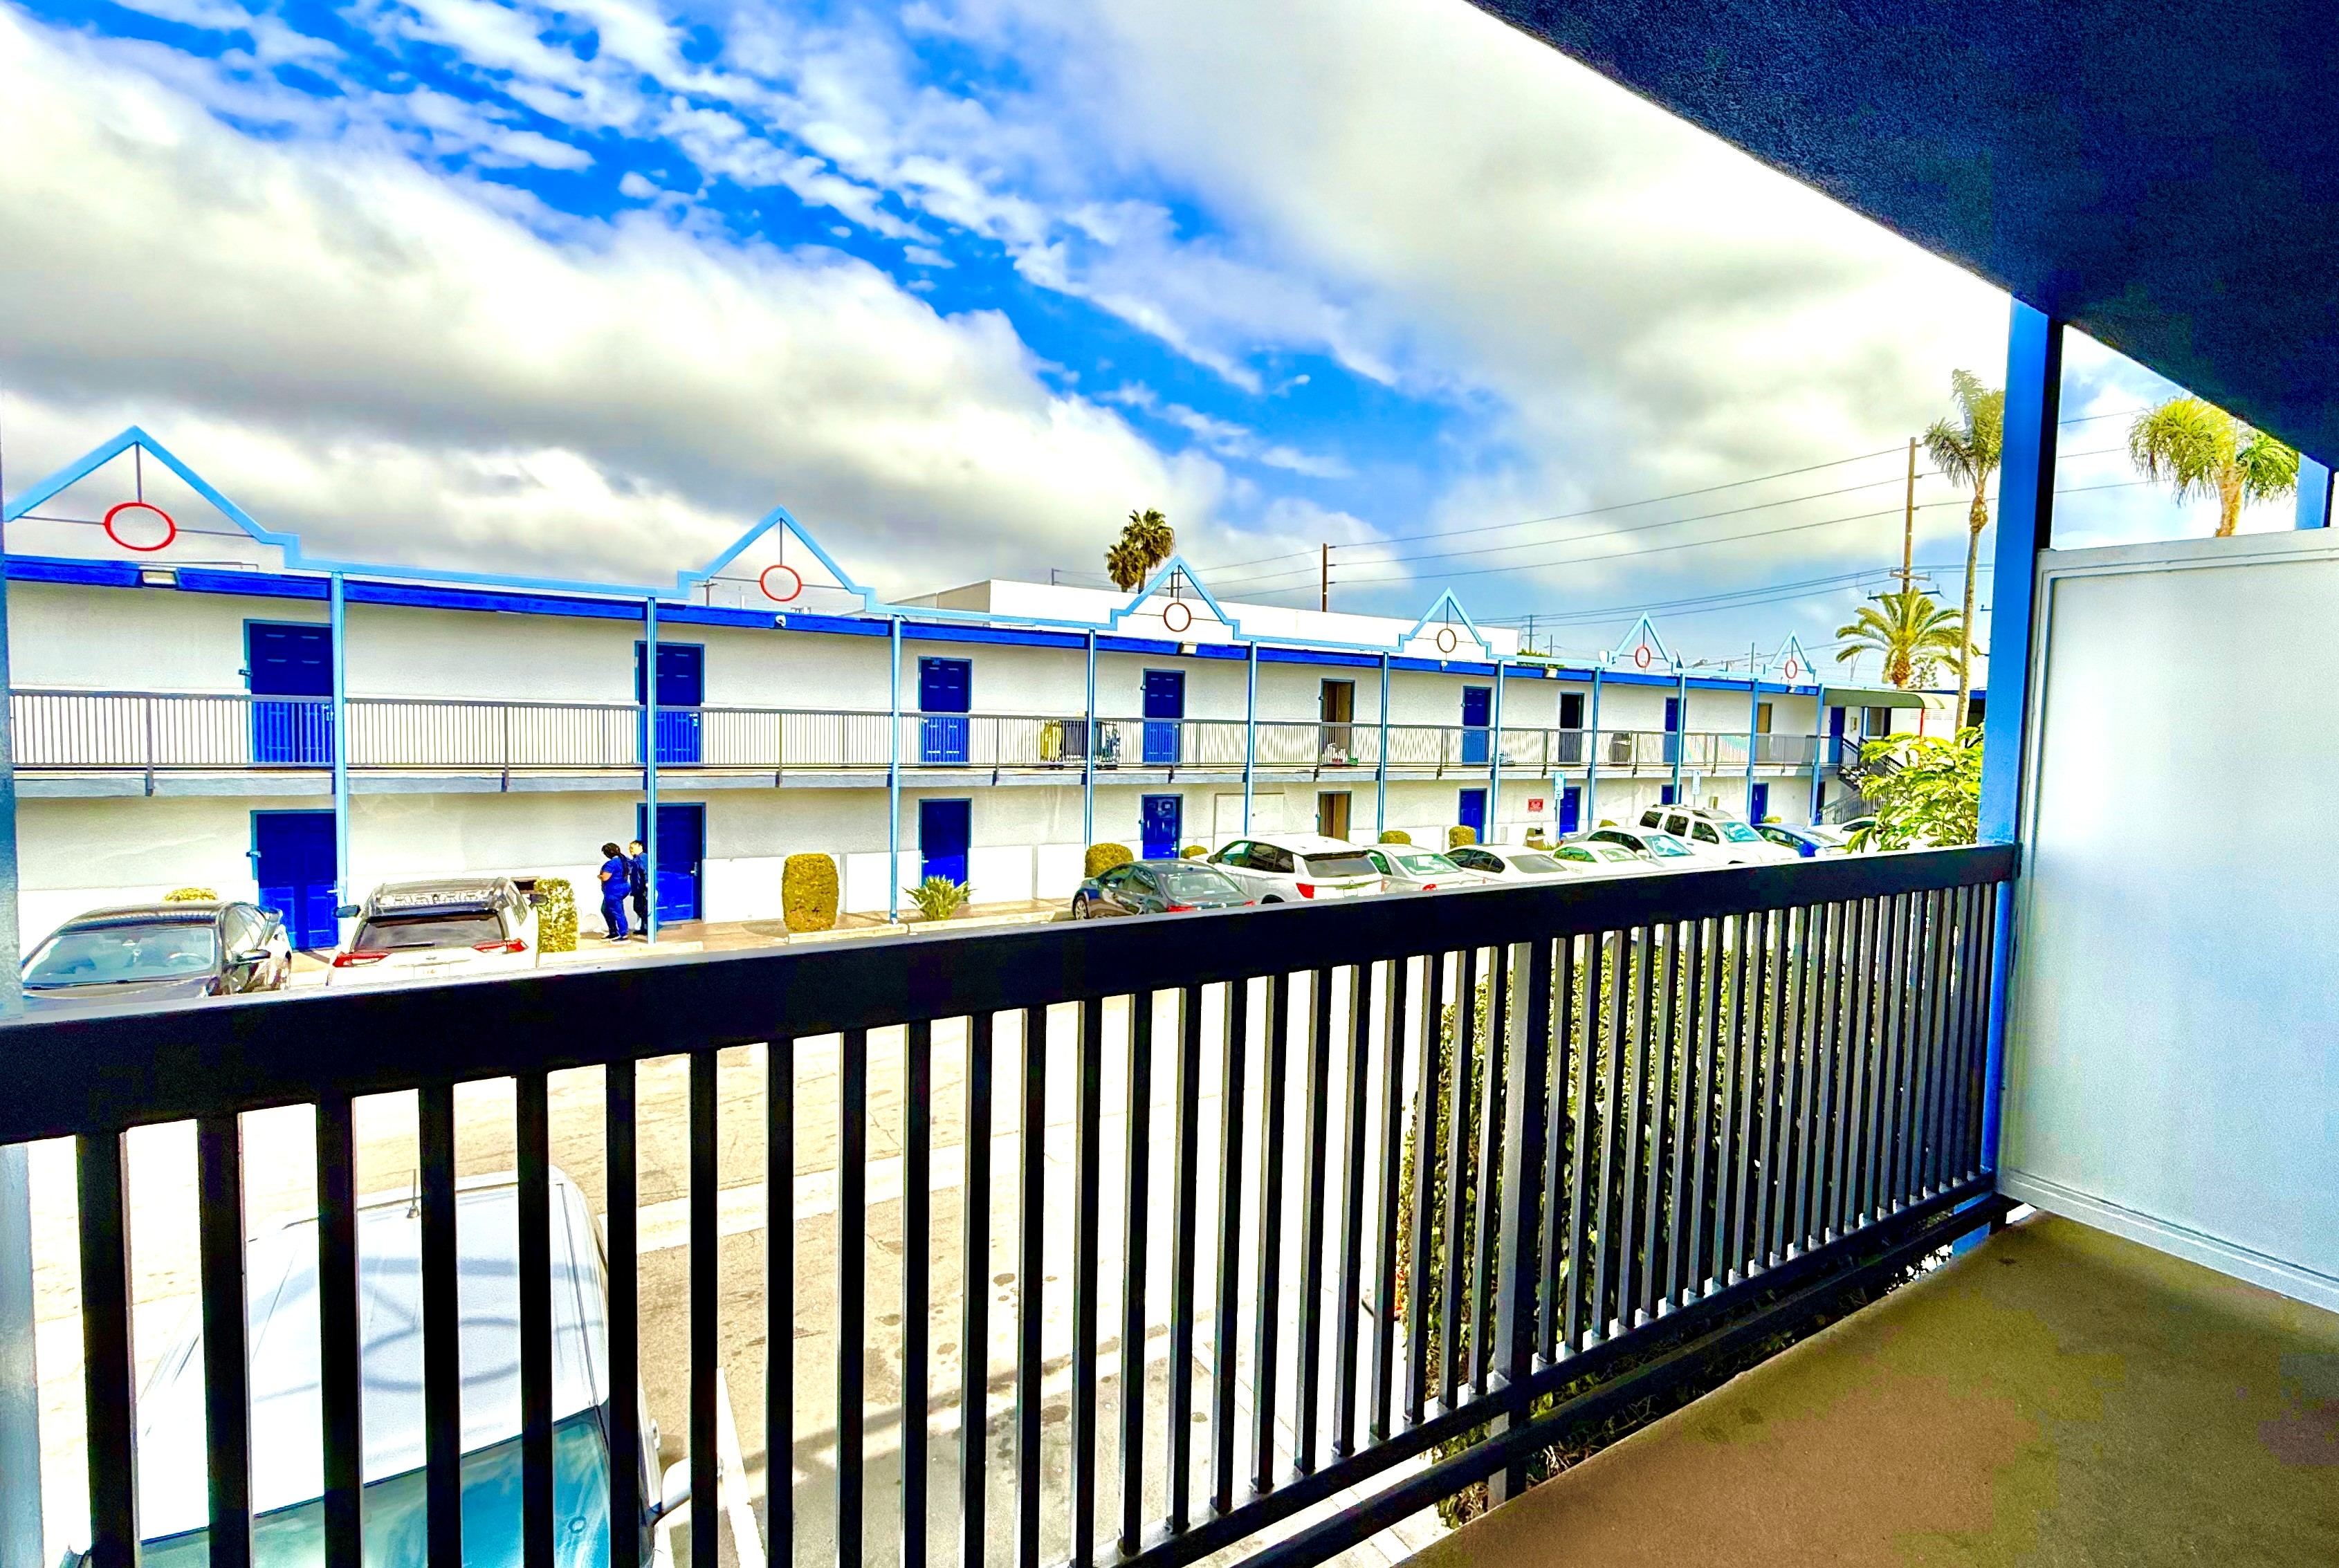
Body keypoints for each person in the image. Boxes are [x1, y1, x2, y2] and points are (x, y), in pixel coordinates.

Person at [596, 841, 630, 941]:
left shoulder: (611, 864)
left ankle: (623, 934)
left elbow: (606, 877)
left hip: (614, 891)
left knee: (617, 912)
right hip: (623, 887)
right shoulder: (625, 860)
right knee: (606, 910)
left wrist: (600, 876)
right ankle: (613, 931)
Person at [626, 838, 650, 937]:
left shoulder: (643, 857)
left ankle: (648, 927)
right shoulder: (635, 859)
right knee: (637, 908)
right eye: (630, 848)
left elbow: (646, 870)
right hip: (637, 888)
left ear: (640, 847)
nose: (631, 849)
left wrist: (648, 882)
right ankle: (645, 927)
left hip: (642, 888)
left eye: (633, 847)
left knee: (641, 907)